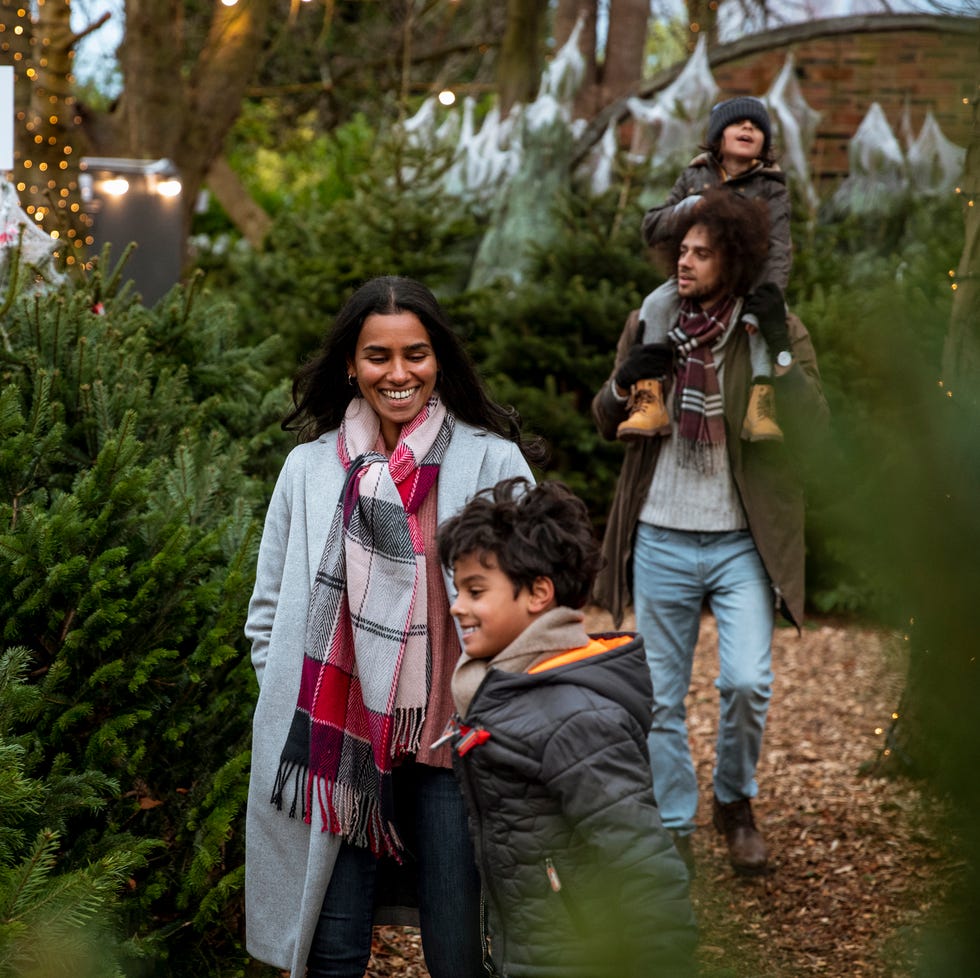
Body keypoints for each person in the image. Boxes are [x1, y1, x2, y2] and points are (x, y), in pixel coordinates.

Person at [243, 276, 543, 978]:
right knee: (332, 953)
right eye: (379, 356)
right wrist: (302, 695)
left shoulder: (492, 461)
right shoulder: (310, 469)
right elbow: (266, 613)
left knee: (459, 954)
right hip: (339, 753)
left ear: (439, 360)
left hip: (454, 748)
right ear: (352, 363)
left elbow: (538, 600)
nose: (399, 373)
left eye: (417, 353)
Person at [592, 189, 828, 878]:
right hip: (663, 532)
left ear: (736, 257)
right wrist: (623, 381)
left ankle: (734, 803)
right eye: (681, 251)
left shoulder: (770, 325)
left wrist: (779, 348)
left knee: (749, 681)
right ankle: (674, 827)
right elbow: (607, 419)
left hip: (740, 541)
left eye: (702, 252)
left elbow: (815, 430)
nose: (685, 264)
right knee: (662, 696)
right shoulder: (653, 319)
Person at [436, 477, 698, 978]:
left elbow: (644, 862)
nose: (457, 606)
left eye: (475, 591)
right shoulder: (506, 687)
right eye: (457, 589)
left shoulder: (575, 717)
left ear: (538, 593)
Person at [619, 95, 793, 444]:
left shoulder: (771, 187)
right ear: (718, 136)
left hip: (748, 281)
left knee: (763, 325)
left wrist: (770, 293)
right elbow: (652, 226)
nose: (748, 128)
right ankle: (648, 393)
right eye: (739, 122)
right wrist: (688, 207)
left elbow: (778, 248)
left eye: (758, 126)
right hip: (692, 274)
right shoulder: (695, 175)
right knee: (654, 305)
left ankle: (762, 403)